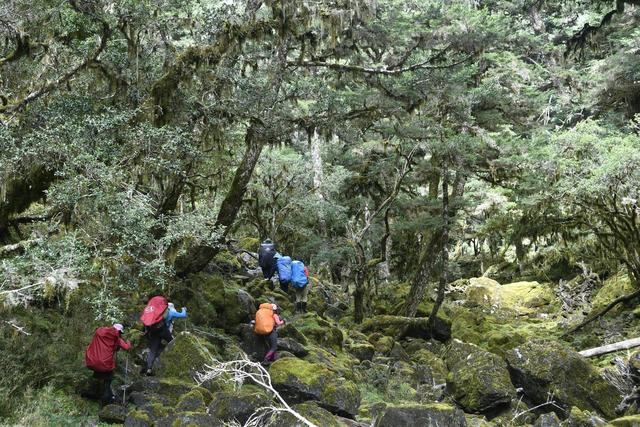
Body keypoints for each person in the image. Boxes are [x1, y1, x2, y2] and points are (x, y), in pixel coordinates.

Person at [85, 323, 132, 406]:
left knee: (98, 378)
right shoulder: (117, 339)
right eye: (120, 333)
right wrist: (129, 342)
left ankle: (94, 395)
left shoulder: (99, 332)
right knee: (107, 381)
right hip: (106, 364)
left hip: (94, 361)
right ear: (119, 332)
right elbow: (127, 347)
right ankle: (105, 403)